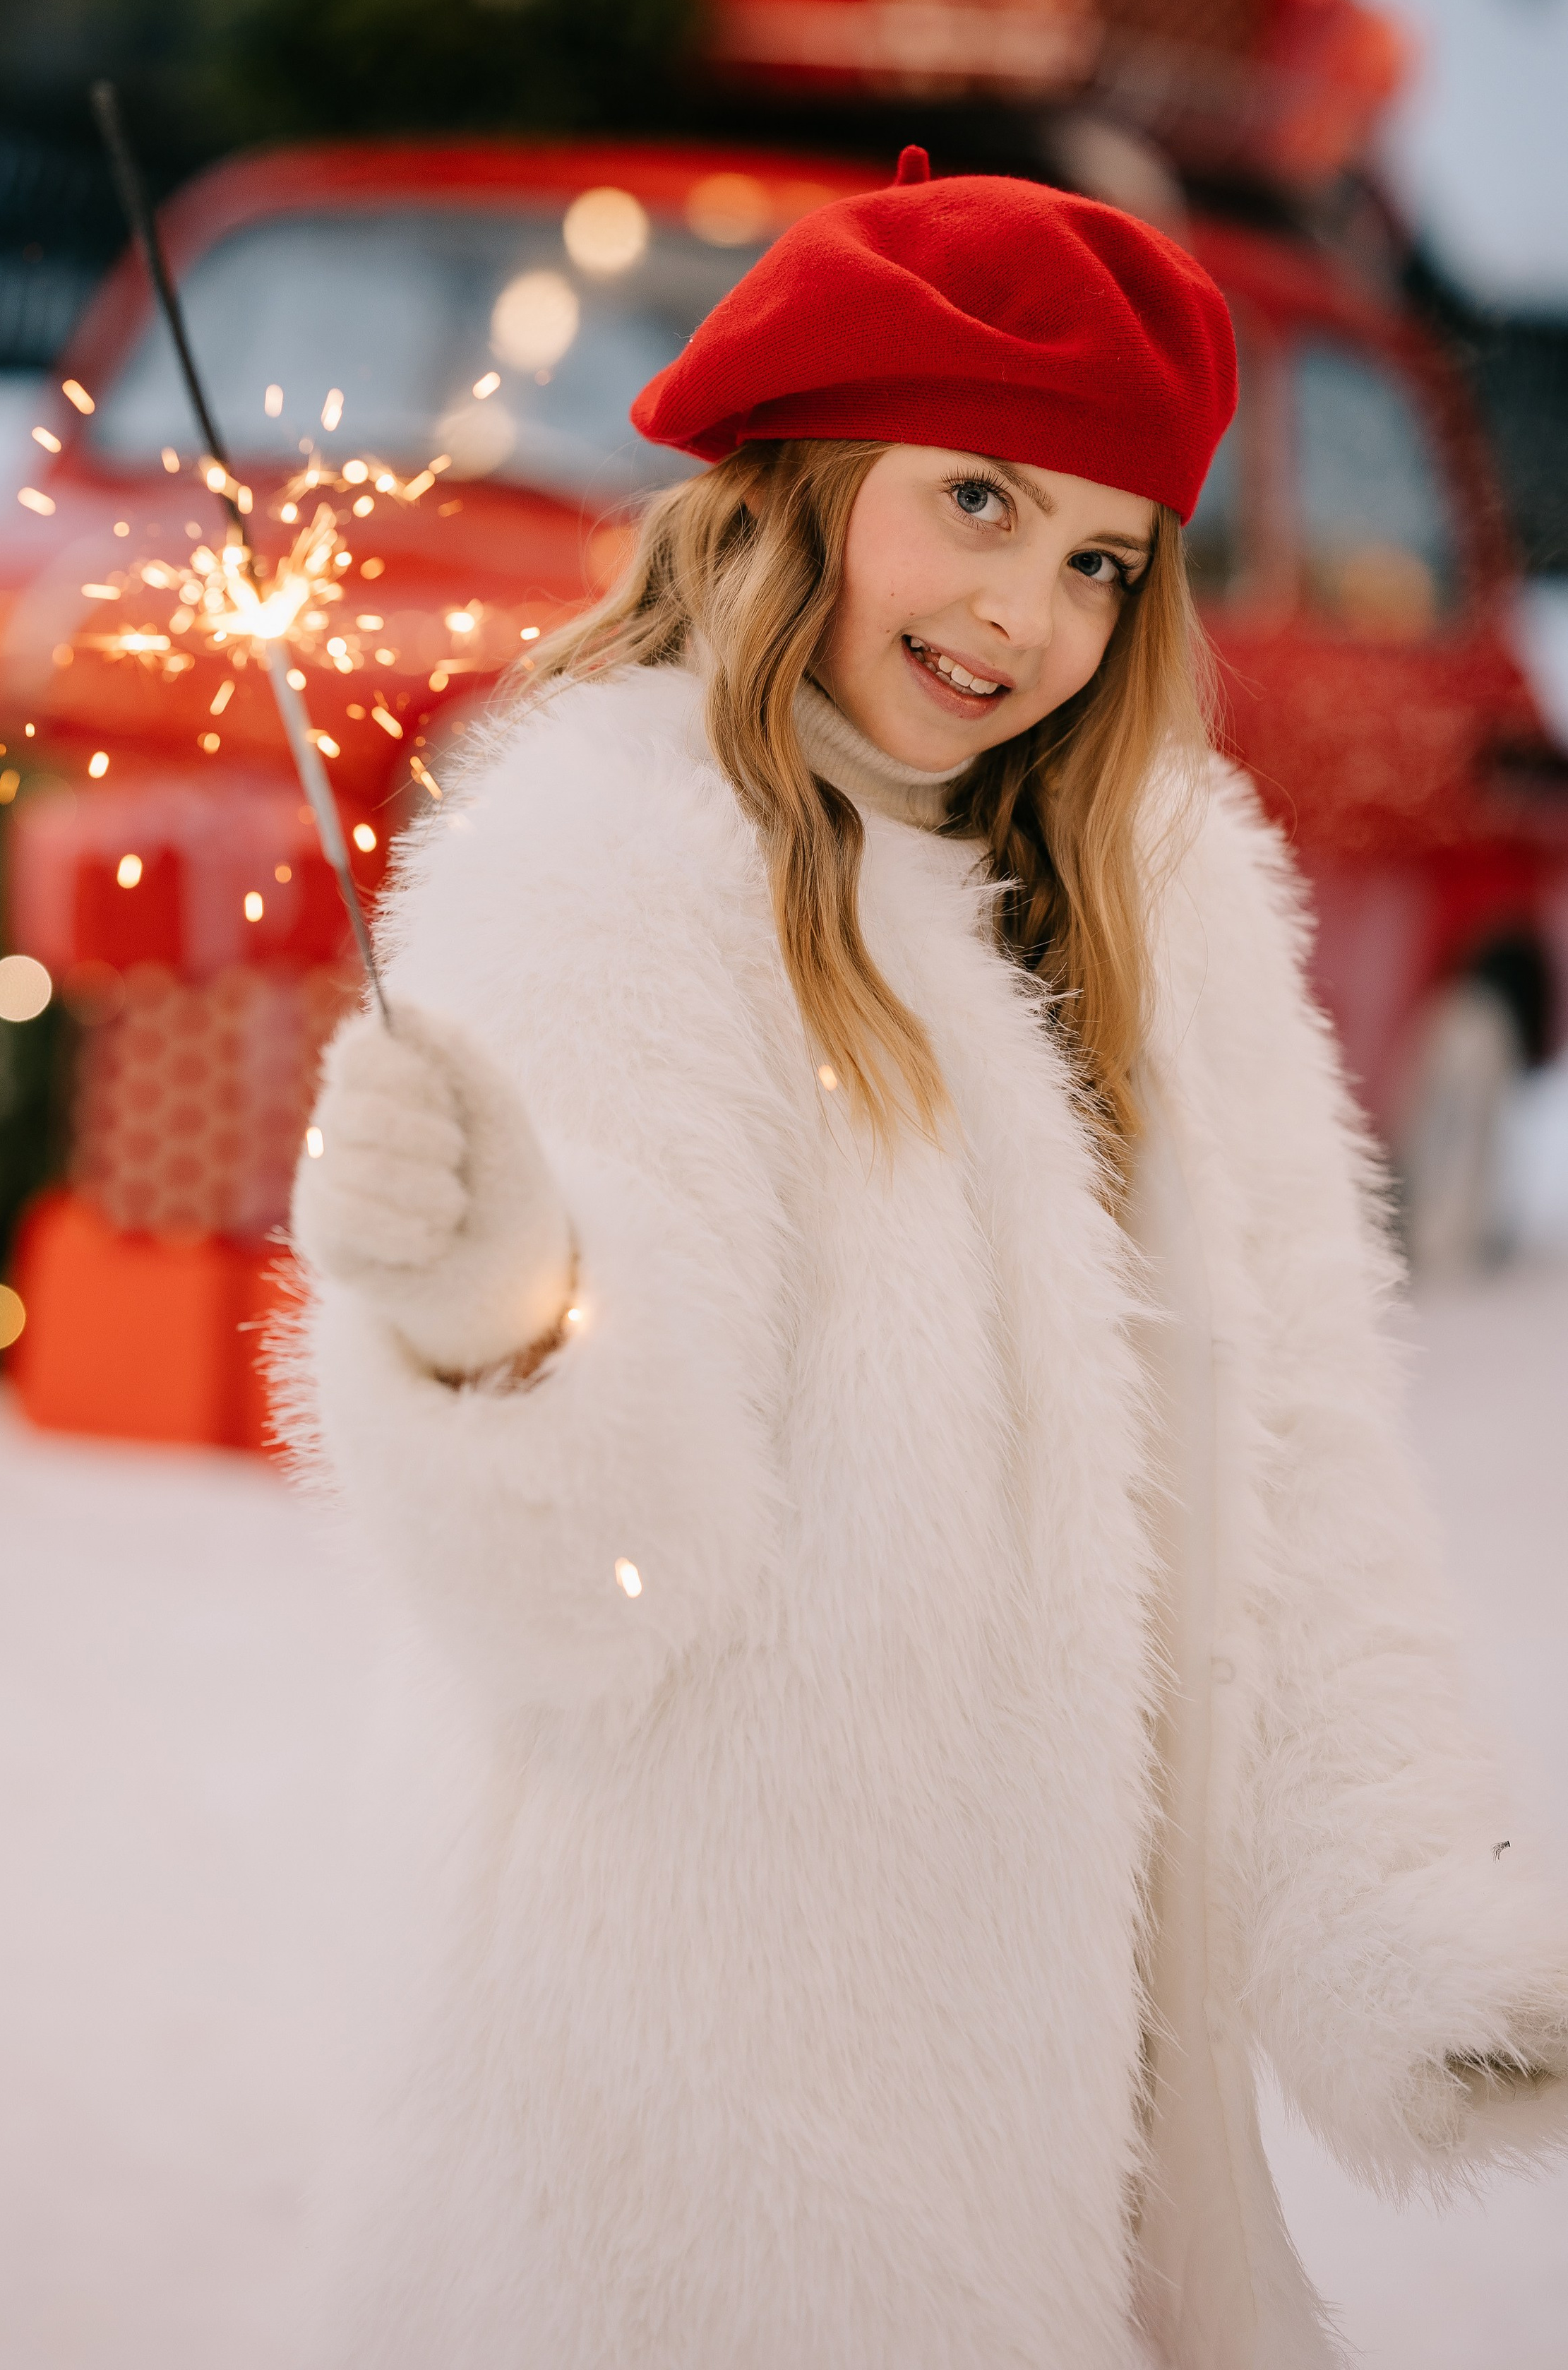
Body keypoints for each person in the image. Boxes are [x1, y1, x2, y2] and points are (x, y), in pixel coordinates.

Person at [287, 156, 1568, 2369]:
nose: (1029, 615)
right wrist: (493, 1314)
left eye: (1098, 555)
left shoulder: (1156, 903)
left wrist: (1409, 1918)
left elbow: (1302, 1476)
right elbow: (598, 1600)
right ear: (810, 477)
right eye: (974, 500)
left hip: (1103, 2118)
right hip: (709, 2110)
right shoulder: (614, 872)